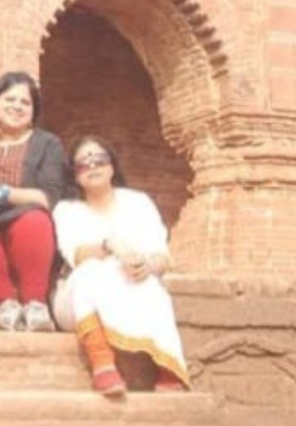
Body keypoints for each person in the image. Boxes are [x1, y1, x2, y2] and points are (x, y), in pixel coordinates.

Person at [51, 136, 190, 398]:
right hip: (76, 299)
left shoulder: (138, 202)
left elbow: (162, 255)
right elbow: (77, 254)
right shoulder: (67, 209)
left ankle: (168, 370)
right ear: (74, 174)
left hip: (130, 288)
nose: (92, 166)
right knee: (91, 271)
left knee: (152, 286)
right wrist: (110, 244)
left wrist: (147, 265)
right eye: (83, 163)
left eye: (99, 159)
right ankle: (102, 363)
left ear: (112, 166)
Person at [0, 71, 64, 332]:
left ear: (34, 110)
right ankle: (6, 304)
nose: (17, 107)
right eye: (10, 99)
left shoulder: (47, 143)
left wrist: (1, 193)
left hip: (27, 217)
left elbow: (48, 196)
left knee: (35, 221)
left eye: (25, 102)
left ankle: (34, 304)